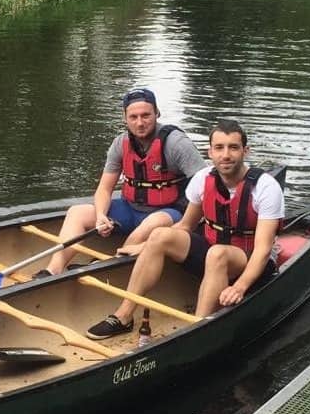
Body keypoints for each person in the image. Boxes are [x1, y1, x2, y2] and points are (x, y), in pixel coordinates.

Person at [85, 119, 285, 339]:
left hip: (249, 259)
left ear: (245, 151)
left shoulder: (265, 187)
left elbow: (263, 250)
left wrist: (239, 287)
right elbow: (185, 226)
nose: (225, 155)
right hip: (213, 250)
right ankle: (123, 316)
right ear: (210, 152)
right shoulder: (203, 179)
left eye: (233, 147)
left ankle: (195, 330)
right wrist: (145, 246)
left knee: (217, 254)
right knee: (161, 234)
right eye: (219, 148)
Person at [35, 87, 207, 282]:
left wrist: (194, 221)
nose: (140, 123)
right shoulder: (120, 143)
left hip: (169, 211)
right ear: (124, 118)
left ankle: (108, 265)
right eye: (133, 117)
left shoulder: (176, 143)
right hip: (130, 209)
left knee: (153, 222)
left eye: (146, 116)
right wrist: (100, 216)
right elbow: (105, 188)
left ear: (157, 113)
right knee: (77, 212)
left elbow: (206, 184)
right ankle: (53, 270)